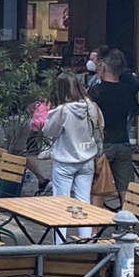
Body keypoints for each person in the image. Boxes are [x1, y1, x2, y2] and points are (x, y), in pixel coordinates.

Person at [42, 73, 103, 244]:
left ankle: (60, 245)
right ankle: (85, 242)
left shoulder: (61, 111)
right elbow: (100, 126)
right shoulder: (92, 107)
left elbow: (48, 131)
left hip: (65, 161)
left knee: (60, 204)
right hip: (87, 160)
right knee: (83, 203)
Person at [89, 49, 139, 206]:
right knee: (126, 186)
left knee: (99, 187)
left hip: (103, 144)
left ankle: (96, 221)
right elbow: (136, 83)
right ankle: (127, 219)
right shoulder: (127, 90)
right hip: (123, 142)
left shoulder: (96, 91)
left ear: (103, 68)